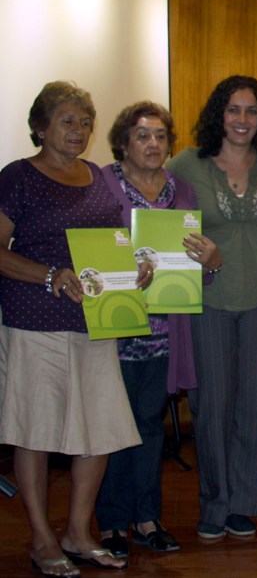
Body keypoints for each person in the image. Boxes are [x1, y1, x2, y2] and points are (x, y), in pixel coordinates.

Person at [0, 82, 152, 576]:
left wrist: (135, 269)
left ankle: (78, 532)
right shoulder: (18, 176)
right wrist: (49, 276)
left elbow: (112, 242)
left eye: (85, 122)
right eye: (67, 121)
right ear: (40, 126)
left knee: (99, 429)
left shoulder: (97, 177)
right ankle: (43, 539)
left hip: (97, 321)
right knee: (35, 430)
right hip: (35, 322)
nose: (79, 130)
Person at [95, 102, 223, 557]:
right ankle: (112, 522)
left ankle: (147, 517)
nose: (153, 143)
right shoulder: (101, 183)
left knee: (149, 424)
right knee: (114, 426)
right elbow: (89, 249)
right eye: (142, 135)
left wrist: (211, 263)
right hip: (115, 327)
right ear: (123, 143)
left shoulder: (181, 189)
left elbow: (194, 266)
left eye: (160, 135)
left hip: (166, 329)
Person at [166, 75, 257, 540]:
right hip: (208, 300)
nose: (242, 119)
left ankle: (244, 504)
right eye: (233, 109)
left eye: (251, 111)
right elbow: (159, 217)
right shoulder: (187, 164)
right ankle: (214, 503)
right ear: (219, 113)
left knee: (254, 405)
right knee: (212, 406)